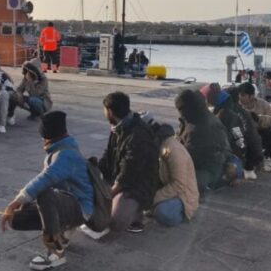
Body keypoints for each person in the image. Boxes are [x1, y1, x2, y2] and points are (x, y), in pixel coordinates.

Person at [1, 111, 94, 271]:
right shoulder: (62, 148)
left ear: (47, 137)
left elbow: (45, 179)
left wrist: (15, 202)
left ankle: (56, 253)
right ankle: (63, 233)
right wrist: (21, 205)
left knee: (44, 194)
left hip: (80, 208)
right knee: (16, 218)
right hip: (67, 202)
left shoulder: (66, 154)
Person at [93, 91, 159, 234]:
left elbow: (128, 173)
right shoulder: (118, 128)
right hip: (119, 177)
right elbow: (108, 155)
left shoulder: (138, 134)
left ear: (110, 111)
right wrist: (95, 171)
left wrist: (107, 195)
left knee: (116, 221)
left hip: (137, 186)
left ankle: (136, 215)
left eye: (104, 110)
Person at [174, 90, 239, 194]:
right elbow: (180, 139)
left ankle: (216, 183)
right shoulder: (191, 118)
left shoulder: (202, 127)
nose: (179, 112)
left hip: (210, 166)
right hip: (197, 161)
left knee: (186, 184)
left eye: (180, 109)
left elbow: (191, 154)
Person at [201, 84, 263, 180]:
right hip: (248, 155)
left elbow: (235, 140)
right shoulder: (239, 111)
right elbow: (246, 139)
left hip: (236, 160)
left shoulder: (224, 114)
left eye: (204, 100)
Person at [151, 123, 199, 227]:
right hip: (173, 193)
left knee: (162, 213)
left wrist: (154, 198)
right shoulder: (165, 148)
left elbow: (179, 184)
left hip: (184, 197)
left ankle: (183, 214)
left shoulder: (174, 151)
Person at [238, 82, 271, 173]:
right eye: (239, 95)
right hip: (243, 138)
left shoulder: (262, 103)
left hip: (259, 135)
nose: (240, 97)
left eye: (243, 95)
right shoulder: (237, 105)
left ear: (251, 96)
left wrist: (260, 119)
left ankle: (267, 157)